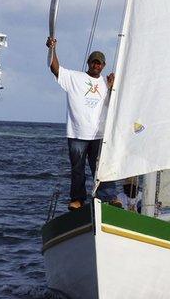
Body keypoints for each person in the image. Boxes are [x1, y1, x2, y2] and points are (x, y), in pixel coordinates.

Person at [46, 37, 117, 210]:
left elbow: (114, 103)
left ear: (104, 65)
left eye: (99, 63)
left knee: (102, 167)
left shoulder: (107, 83)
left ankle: (108, 197)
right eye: (94, 62)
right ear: (88, 63)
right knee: (77, 169)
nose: (96, 66)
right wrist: (52, 49)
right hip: (77, 133)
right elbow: (55, 69)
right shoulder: (74, 77)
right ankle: (78, 199)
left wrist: (113, 87)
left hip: (99, 134)